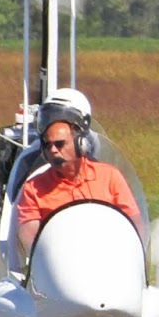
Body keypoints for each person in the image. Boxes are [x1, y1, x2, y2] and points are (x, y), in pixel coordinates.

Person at [14, 89, 143, 255]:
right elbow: (29, 243)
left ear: (81, 143)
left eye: (60, 144)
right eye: (48, 145)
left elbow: (135, 228)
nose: (53, 150)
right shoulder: (34, 188)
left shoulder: (110, 178)